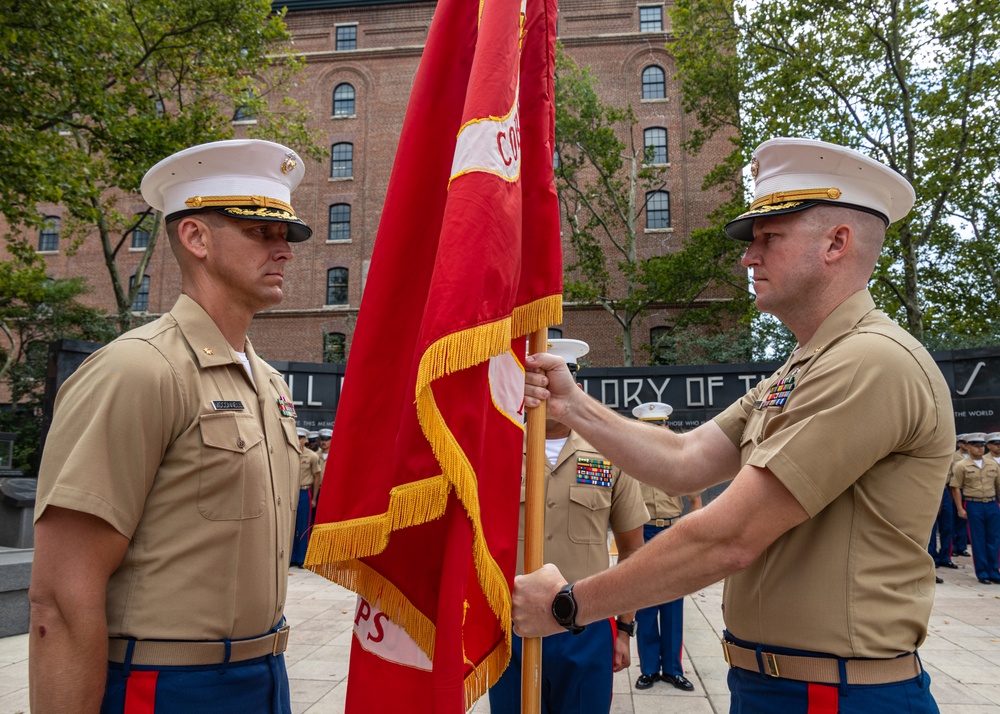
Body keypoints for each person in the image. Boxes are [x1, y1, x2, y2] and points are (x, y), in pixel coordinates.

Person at [515, 138, 955, 713]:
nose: (749, 257)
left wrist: (568, 606)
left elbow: (728, 536)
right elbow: (683, 461)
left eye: (769, 238)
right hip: (781, 685)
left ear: (836, 243)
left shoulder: (869, 361)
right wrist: (572, 406)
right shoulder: (802, 367)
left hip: (837, 694)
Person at [28, 139, 312, 713]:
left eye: (286, 235)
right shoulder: (138, 370)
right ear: (196, 238)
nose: (283, 250)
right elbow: (60, 598)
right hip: (166, 687)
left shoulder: (269, 384)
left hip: (265, 679)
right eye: (262, 232)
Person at [488, 339, 648, 714]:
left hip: (587, 625)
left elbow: (632, 549)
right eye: (534, 380)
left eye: (554, 380)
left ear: (574, 384)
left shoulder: (610, 454)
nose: (545, 391)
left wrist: (624, 631)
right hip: (512, 623)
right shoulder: (498, 450)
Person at [629, 402, 702, 692]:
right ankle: (649, 669)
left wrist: (696, 540)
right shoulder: (631, 462)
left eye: (659, 424)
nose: (655, 431)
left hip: (672, 531)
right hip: (644, 532)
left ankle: (672, 669)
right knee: (645, 604)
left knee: (673, 604)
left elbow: (695, 500)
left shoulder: (679, 462)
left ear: (666, 427)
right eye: (648, 426)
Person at [949, 432, 1000, 585]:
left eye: (981, 446)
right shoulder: (961, 465)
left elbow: (998, 486)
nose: (980, 449)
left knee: (994, 538)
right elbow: (956, 487)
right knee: (978, 539)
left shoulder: (992, 464)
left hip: (991, 503)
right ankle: (982, 572)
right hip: (974, 503)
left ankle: (994, 570)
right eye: (976, 446)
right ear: (969, 447)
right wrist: (959, 508)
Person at [292, 427, 323, 567]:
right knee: (291, 526)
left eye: (300, 438)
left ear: (304, 440)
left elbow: (317, 477)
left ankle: (302, 558)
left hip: (305, 491)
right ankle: (290, 558)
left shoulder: (312, 456)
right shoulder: (289, 453)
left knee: (304, 526)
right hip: (291, 493)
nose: (298, 440)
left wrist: (314, 498)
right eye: (296, 437)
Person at [951, 434, 972, 556]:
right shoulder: (954, 456)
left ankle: (962, 546)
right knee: (954, 518)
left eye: (968, 443)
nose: (966, 445)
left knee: (964, 520)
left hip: (970, 489)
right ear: (959, 443)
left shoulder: (973, 457)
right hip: (958, 489)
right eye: (964, 442)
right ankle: (953, 546)